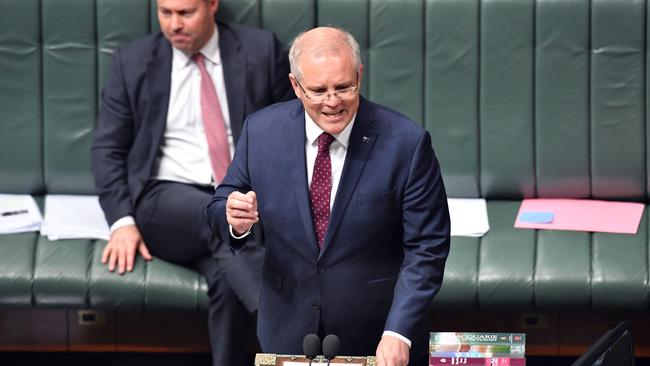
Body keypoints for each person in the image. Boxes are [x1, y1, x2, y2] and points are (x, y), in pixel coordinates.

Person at [207, 27, 451, 366]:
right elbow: (221, 203)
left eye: (344, 87)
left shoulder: (406, 144)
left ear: (359, 75)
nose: (333, 102)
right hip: (287, 329)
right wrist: (233, 218)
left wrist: (398, 332)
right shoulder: (260, 132)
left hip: (376, 336)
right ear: (295, 85)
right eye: (319, 90)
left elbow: (427, 246)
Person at [91, 0, 293, 364]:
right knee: (223, 217)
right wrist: (121, 221)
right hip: (163, 200)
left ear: (212, 5)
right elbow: (107, 149)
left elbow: (293, 130)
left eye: (185, 13)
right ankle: (293, 335)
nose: (174, 24)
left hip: (244, 198)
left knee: (227, 276)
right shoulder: (134, 61)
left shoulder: (260, 50)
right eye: (165, 12)